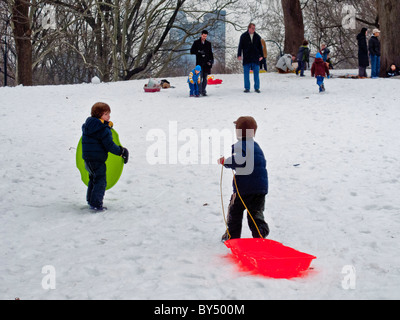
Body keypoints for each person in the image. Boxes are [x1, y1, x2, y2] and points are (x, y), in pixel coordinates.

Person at [218, 116, 270, 241]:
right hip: (260, 188)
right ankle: (260, 232)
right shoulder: (257, 147)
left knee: (235, 212)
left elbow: (239, 160)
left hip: (243, 189)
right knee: (255, 213)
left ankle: (232, 237)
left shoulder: (240, 145)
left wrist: (226, 162)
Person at [82, 102, 129, 211]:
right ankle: (96, 204)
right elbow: (110, 145)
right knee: (100, 181)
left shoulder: (88, 126)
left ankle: (90, 200)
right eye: (106, 114)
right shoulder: (103, 129)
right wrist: (121, 151)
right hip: (98, 160)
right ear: (99, 115)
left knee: (93, 179)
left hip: (87, 159)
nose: (109, 117)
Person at [237, 23, 263, 93]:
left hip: (255, 57)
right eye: (252, 28)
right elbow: (240, 46)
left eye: (254, 28)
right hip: (247, 57)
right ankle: (247, 88)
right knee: (246, 74)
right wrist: (239, 55)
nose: (253, 30)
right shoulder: (243, 36)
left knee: (256, 74)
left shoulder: (257, 37)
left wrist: (261, 55)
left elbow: (260, 47)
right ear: (249, 28)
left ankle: (257, 88)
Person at [190, 30, 214, 96]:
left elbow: (210, 53)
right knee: (199, 78)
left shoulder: (208, 44)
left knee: (205, 78)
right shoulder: (196, 42)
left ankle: (203, 91)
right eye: (203, 36)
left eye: (205, 36)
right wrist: (199, 52)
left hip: (206, 63)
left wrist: (211, 60)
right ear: (201, 35)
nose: (204, 37)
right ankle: (199, 91)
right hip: (199, 63)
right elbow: (192, 51)